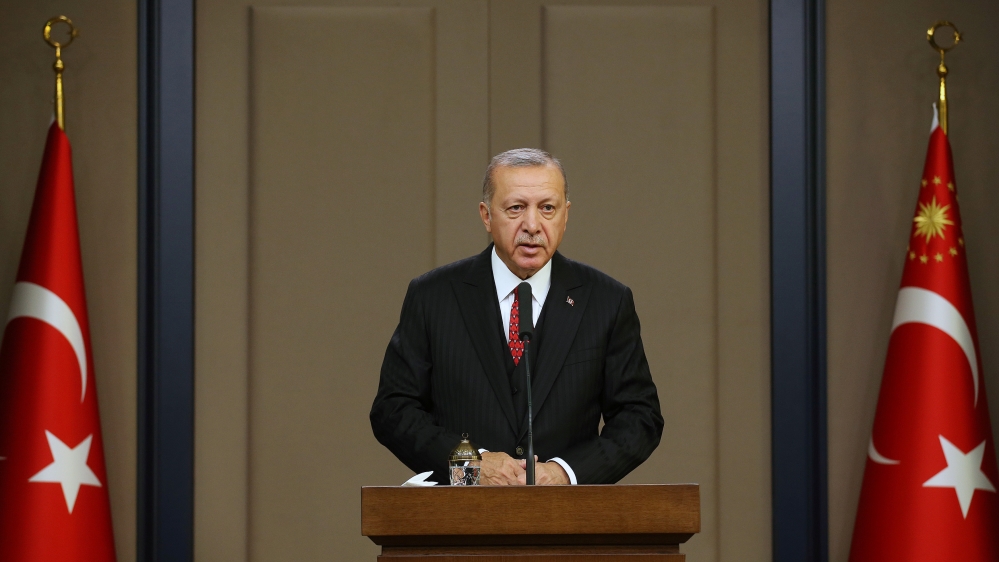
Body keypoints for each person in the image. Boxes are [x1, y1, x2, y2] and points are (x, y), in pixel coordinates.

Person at [370, 148, 663, 485]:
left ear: (565, 216)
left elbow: (639, 417)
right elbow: (394, 411)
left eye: (548, 208)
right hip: (461, 523)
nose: (533, 225)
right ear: (486, 215)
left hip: (567, 523)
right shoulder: (433, 296)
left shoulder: (606, 301)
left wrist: (566, 473)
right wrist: (472, 466)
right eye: (516, 208)